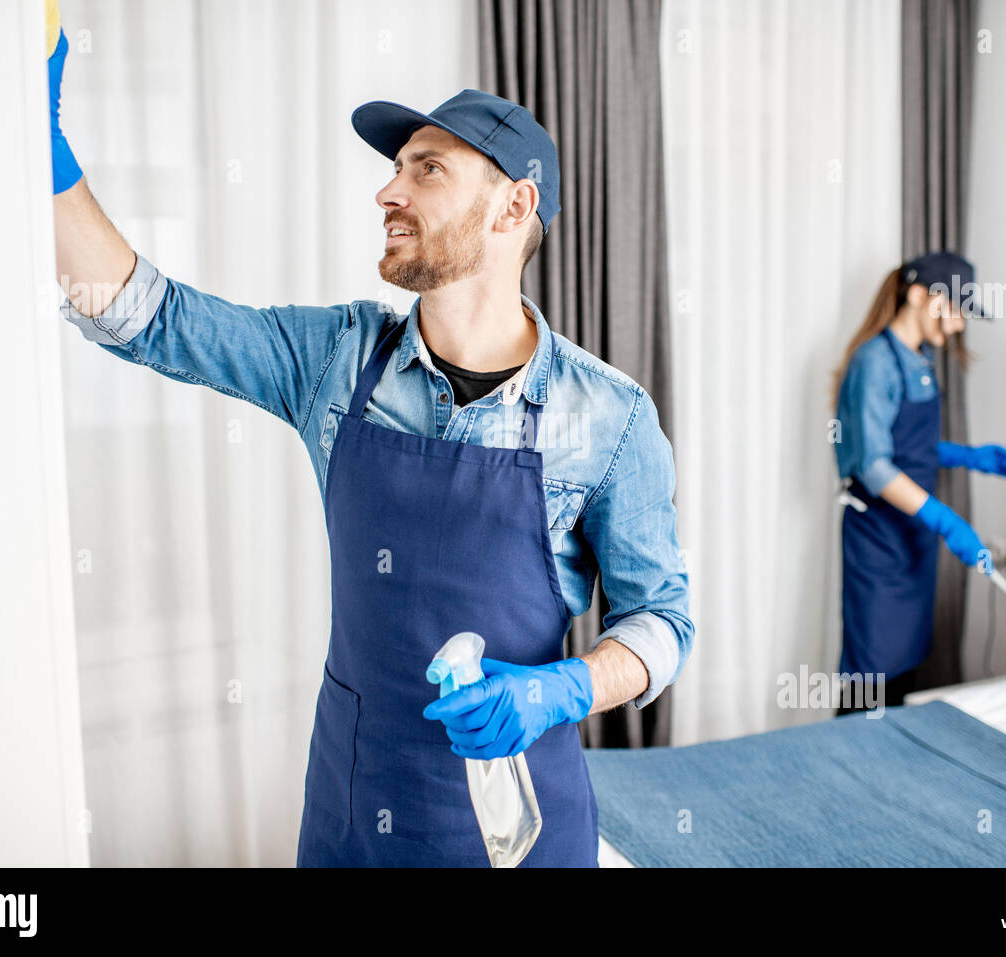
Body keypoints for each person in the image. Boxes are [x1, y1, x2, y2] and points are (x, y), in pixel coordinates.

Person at [47, 29, 692, 866]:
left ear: (514, 207)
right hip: (358, 814)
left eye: (427, 168)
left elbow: (662, 622)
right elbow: (150, 317)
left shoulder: (609, 415)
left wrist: (568, 688)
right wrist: (49, 157)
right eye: (396, 168)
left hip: (522, 826)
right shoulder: (338, 360)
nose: (388, 190)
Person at [831, 252, 1006, 715]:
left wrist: (967, 456)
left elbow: (909, 449)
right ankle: (846, 760)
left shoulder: (920, 359)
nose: (957, 326)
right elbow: (874, 467)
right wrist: (944, 517)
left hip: (912, 536)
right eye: (954, 309)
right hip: (878, 537)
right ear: (919, 295)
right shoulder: (874, 361)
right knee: (870, 670)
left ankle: (889, 766)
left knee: (903, 661)